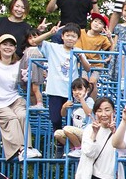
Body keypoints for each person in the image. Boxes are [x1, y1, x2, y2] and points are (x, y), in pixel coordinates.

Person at [0, 34, 42, 160]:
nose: (8, 47)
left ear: (15, 48)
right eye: (5, 44)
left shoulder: (18, 64)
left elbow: (27, 80)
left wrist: (28, 77)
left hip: (14, 99)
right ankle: (22, 149)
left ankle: (28, 148)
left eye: (11, 45)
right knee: (12, 119)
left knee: (22, 115)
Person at [31, 22, 90, 153]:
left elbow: (88, 68)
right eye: (68, 35)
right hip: (55, 89)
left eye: (73, 36)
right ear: (62, 36)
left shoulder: (78, 51)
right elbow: (35, 41)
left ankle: (73, 145)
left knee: (71, 120)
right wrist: (50, 33)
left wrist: (80, 57)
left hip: (71, 92)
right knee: (56, 118)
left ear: (77, 39)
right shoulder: (53, 47)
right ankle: (59, 144)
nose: (70, 38)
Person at [53, 77, 94, 158]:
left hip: (87, 133)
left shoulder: (89, 100)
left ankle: (79, 149)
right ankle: (74, 149)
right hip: (77, 133)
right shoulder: (73, 103)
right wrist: (64, 107)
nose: (77, 92)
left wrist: (82, 99)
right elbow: (63, 115)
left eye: (80, 89)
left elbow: (89, 113)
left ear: (87, 90)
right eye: (74, 90)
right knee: (57, 134)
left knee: (67, 129)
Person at [75, 12, 113, 97]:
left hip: (96, 64)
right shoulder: (81, 32)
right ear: (91, 22)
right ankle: (82, 101)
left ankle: (92, 104)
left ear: (103, 28)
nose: (97, 24)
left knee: (92, 82)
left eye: (100, 23)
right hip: (82, 62)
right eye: (95, 21)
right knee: (83, 80)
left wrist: (110, 38)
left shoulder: (103, 38)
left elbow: (111, 50)